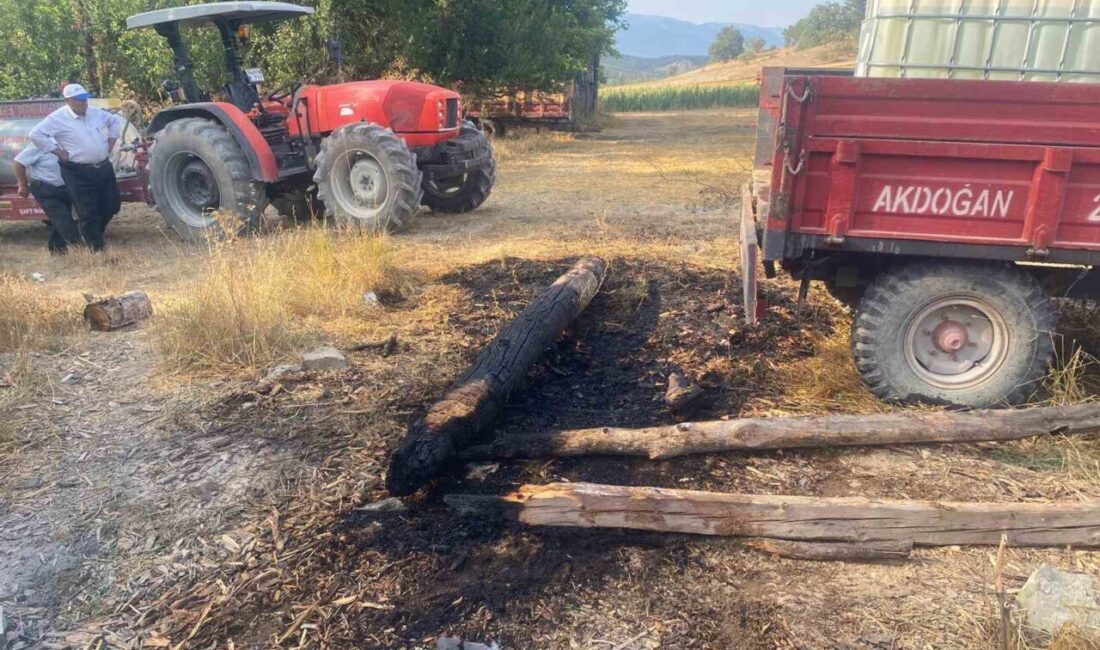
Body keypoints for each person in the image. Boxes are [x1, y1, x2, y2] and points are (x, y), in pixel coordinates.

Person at [29, 83, 124, 252]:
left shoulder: (95, 112)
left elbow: (114, 121)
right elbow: (35, 134)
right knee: (87, 210)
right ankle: (96, 247)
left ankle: (91, 233)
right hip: (77, 171)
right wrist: (57, 151)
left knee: (112, 204)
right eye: (78, 100)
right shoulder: (57, 119)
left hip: (102, 167)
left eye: (84, 99)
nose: (83, 103)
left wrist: (111, 141)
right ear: (67, 101)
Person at [12, 142, 81, 253]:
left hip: (67, 187)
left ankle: (57, 249)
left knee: (68, 217)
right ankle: (80, 249)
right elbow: (18, 162)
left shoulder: (71, 140)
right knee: (63, 218)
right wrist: (22, 184)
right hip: (45, 187)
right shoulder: (40, 144)